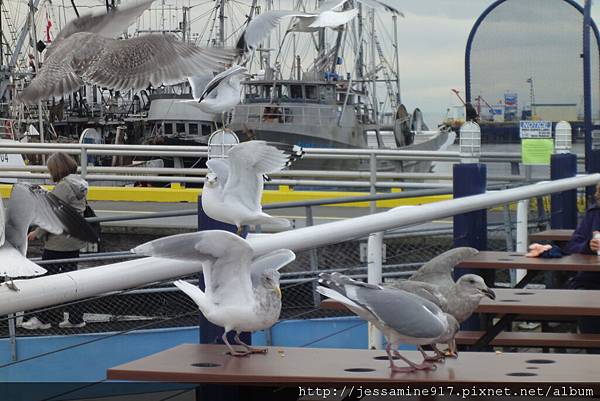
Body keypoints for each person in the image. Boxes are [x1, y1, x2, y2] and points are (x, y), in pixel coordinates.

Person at [21, 153, 89, 330]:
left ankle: (43, 320)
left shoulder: (63, 187)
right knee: (71, 280)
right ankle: (76, 319)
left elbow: (52, 215)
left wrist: (37, 232)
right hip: (74, 240)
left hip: (58, 242)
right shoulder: (78, 183)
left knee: (46, 280)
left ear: (57, 168)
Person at [563, 183, 600, 351]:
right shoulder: (594, 214)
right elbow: (572, 245)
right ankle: (593, 355)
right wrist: (588, 246)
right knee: (584, 298)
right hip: (591, 281)